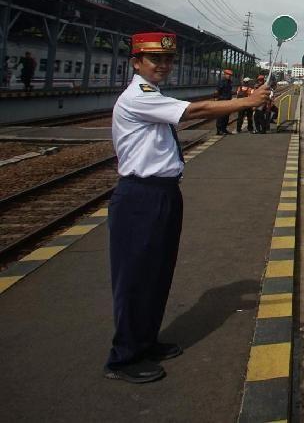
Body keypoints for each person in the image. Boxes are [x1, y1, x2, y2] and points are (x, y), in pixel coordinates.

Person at [105, 31, 269, 383]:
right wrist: (246, 102)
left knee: (158, 272)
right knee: (136, 277)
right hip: (140, 196)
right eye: (155, 59)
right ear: (137, 62)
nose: (163, 65)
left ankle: (145, 341)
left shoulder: (153, 95)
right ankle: (123, 357)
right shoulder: (139, 96)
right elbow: (196, 110)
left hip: (161, 194)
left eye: (167, 60)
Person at [214, 68, 234, 135]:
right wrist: (216, 99)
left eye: (230, 75)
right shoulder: (221, 82)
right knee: (221, 116)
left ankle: (224, 129)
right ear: (224, 74)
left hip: (228, 100)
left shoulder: (230, 82)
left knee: (226, 116)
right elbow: (217, 91)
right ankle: (219, 130)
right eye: (228, 74)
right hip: (222, 100)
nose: (229, 76)